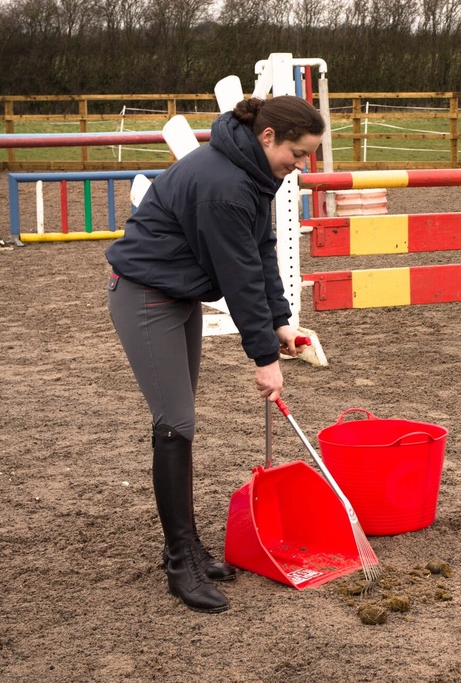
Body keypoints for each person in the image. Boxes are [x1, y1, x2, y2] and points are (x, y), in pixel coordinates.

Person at [105, 96, 325, 613]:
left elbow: (260, 250)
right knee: (174, 423)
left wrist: (281, 322)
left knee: (180, 423)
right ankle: (180, 561)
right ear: (268, 136)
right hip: (145, 297)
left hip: (178, 294)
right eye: (297, 152)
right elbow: (238, 275)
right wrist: (264, 358)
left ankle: (187, 548)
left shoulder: (251, 172)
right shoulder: (224, 184)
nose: (301, 164)